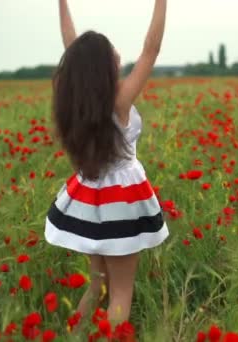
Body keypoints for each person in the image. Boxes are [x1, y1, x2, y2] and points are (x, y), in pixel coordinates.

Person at [44, 0, 169, 328]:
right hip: (121, 203)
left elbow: (72, 49)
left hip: (91, 198)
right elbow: (151, 49)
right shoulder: (120, 101)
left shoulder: (80, 104)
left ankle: (72, 335)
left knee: (98, 282)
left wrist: (62, 4)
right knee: (121, 292)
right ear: (104, 66)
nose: (118, 53)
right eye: (113, 51)